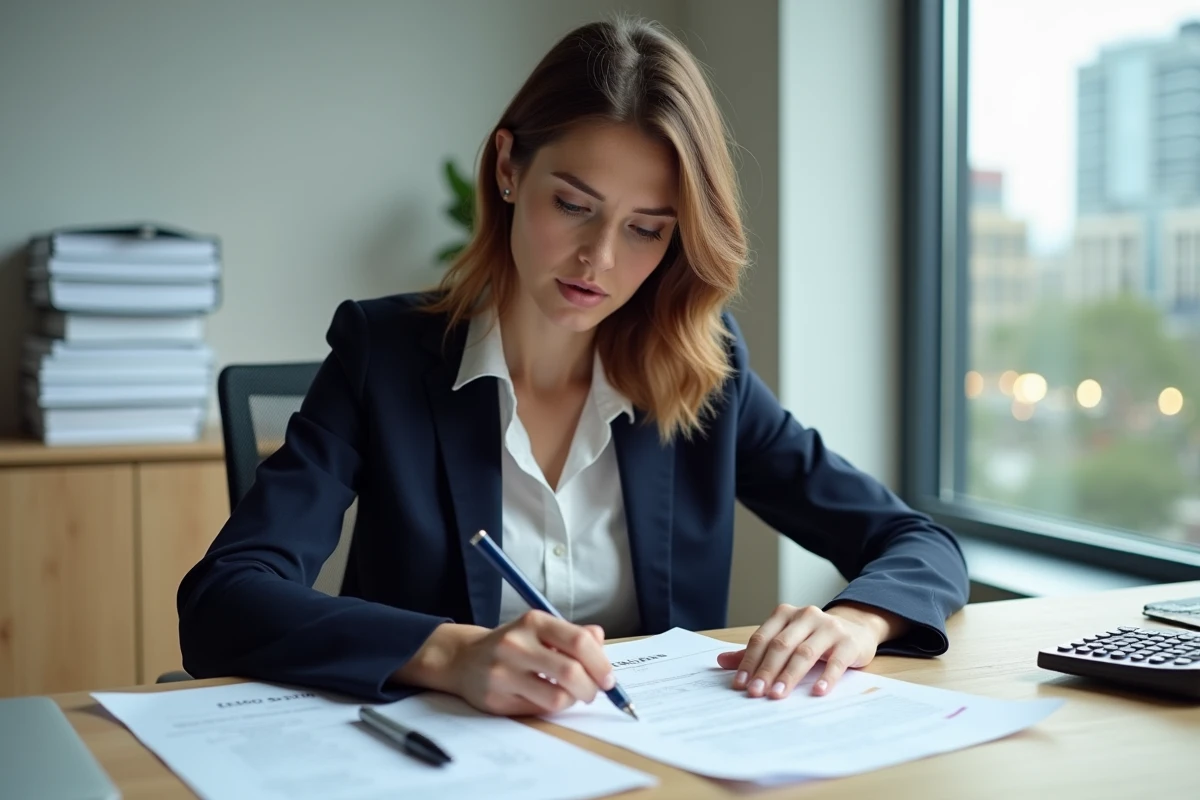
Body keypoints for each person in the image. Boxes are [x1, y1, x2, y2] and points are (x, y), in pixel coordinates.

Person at [177, 15, 969, 717]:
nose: (600, 258)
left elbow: (917, 542)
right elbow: (223, 600)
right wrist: (449, 654)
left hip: (656, 764)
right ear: (508, 167)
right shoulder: (379, 357)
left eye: (646, 229)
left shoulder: (707, 373)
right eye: (573, 205)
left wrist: (857, 621)